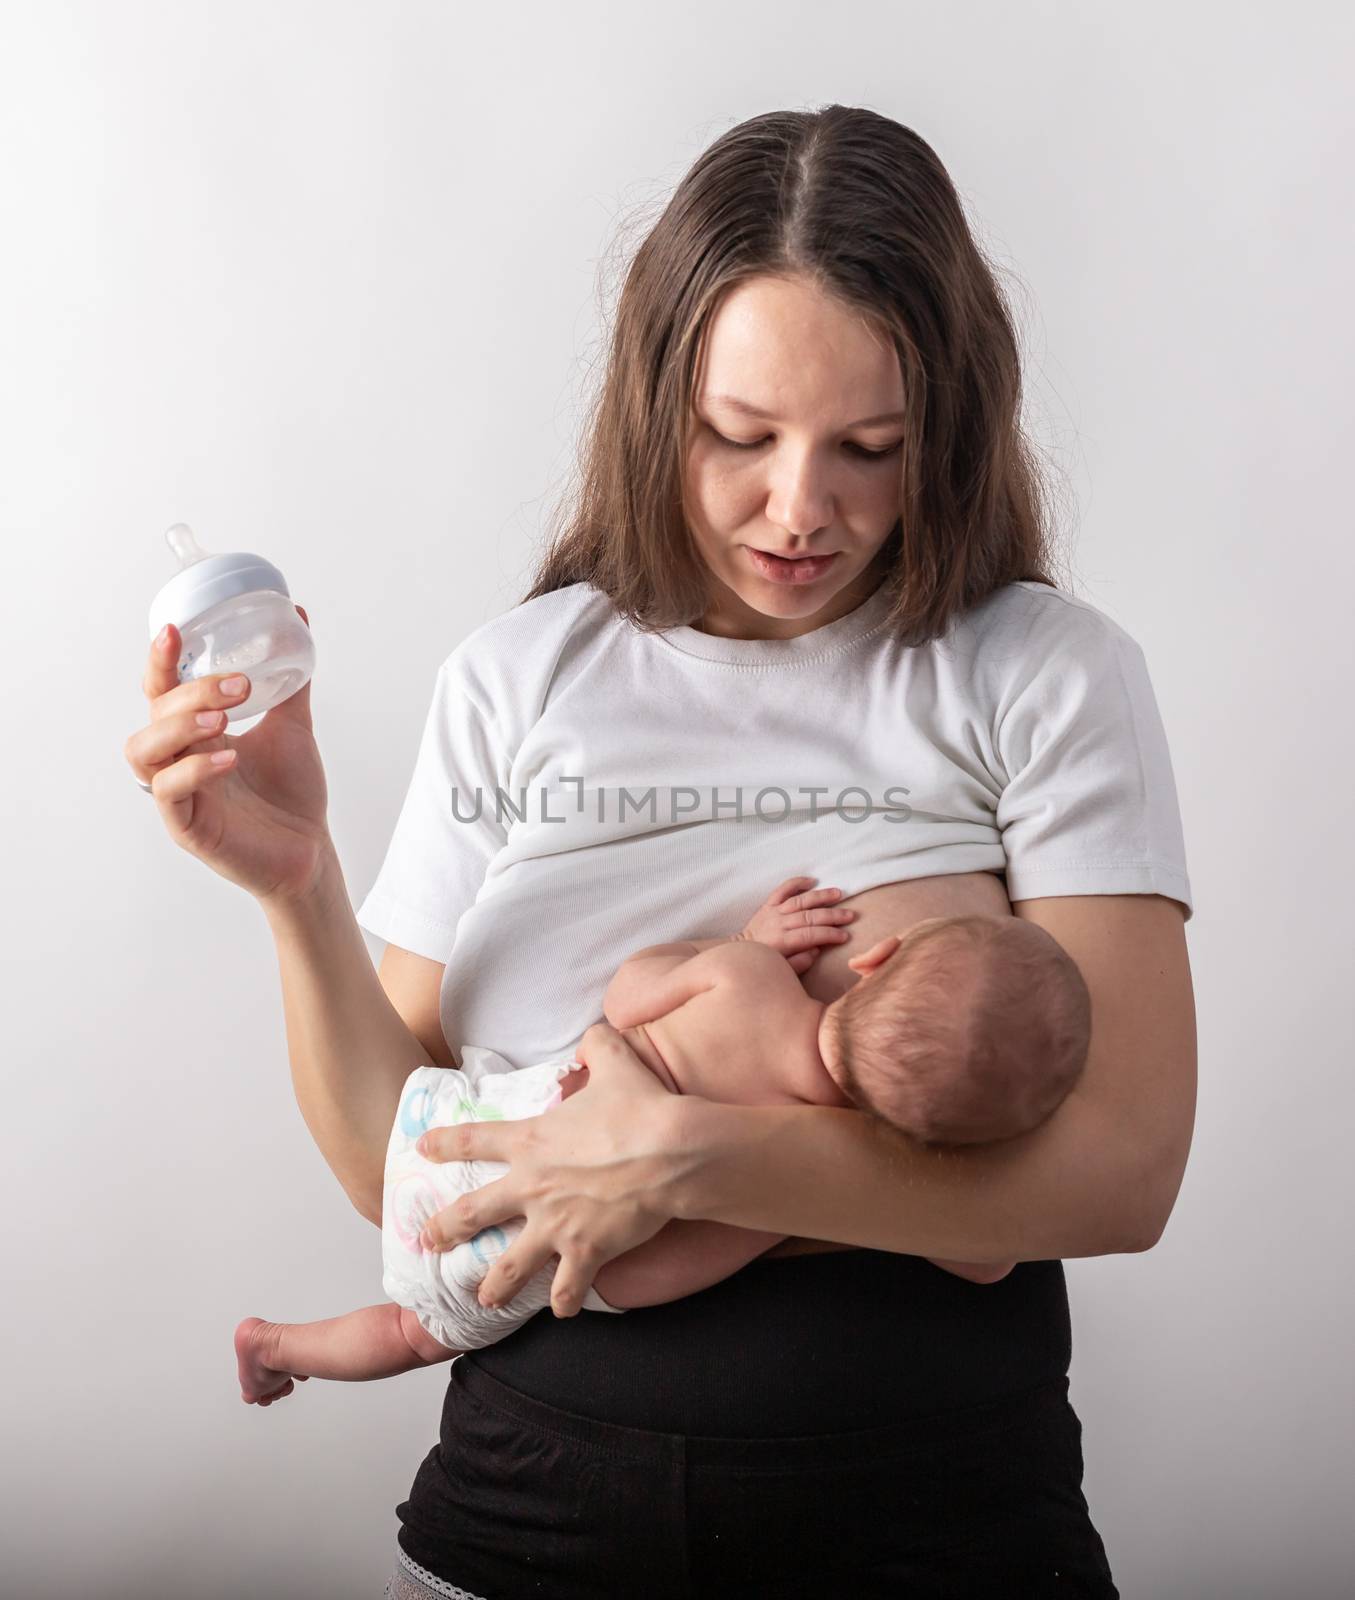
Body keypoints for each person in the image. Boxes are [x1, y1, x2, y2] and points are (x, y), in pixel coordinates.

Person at [124, 105, 1196, 1599]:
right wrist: (297, 881)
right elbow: (403, 1173)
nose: (799, 509)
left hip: (937, 1511)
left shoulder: (1038, 672)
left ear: (942, 427)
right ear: (654, 405)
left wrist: (688, 1161)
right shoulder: (520, 678)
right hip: (533, 1510)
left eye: (868, 449)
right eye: (738, 438)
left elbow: (1120, 1173)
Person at [233, 873, 1091, 1404]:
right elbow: (986, 1258)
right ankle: (277, 1346)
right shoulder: (855, 1161)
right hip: (564, 1267)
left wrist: (741, 942)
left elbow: (627, 995)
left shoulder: (747, 978)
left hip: (488, 1127)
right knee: (412, 1334)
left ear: (876, 955)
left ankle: (274, 1339)